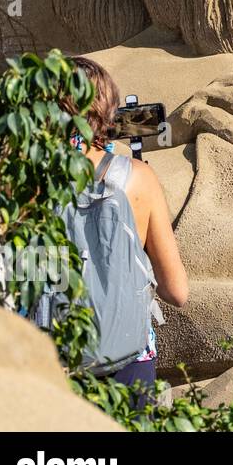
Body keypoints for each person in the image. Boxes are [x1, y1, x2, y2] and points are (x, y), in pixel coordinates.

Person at [65, 56, 189, 395]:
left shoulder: (24, 184)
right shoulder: (140, 179)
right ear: (107, 109)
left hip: (52, 363)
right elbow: (176, 292)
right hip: (130, 361)